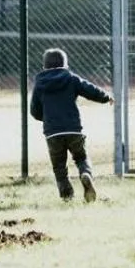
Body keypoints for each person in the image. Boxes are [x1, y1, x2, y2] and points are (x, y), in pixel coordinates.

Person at [29, 47, 112, 202]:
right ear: (65, 65)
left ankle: (67, 196)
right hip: (74, 129)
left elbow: (34, 110)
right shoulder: (71, 78)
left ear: (44, 67)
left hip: (52, 132)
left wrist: (47, 118)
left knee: (59, 167)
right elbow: (89, 89)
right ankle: (85, 174)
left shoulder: (40, 84)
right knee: (81, 157)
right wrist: (105, 97)